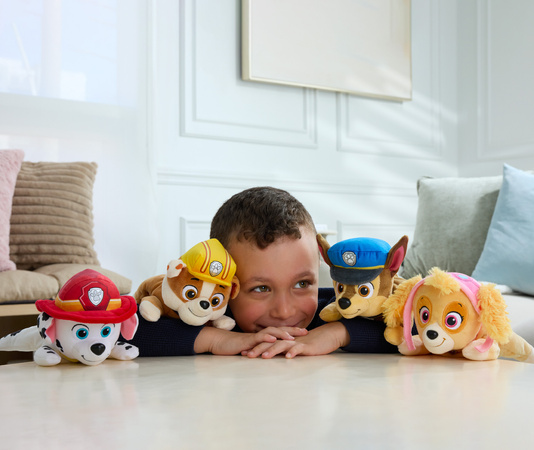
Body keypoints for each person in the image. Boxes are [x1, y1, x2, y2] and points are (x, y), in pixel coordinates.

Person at [128, 186, 397, 358]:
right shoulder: (206, 313)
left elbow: (409, 327)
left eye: (302, 284)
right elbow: (123, 329)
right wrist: (215, 340)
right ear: (225, 284)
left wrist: (338, 333)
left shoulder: (332, 312)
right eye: (261, 288)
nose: (285, 311)